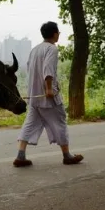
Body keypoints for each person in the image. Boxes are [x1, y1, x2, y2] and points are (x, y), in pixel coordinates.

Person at [13, 21, 83, 167]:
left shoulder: (35, 50)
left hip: (34, 97)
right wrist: (49, 89)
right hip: (47, 97)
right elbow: (48, 69)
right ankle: (67, 155)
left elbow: (30, 70)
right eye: (58, 32)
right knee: (60, 122)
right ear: (55, 33)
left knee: (29, 124)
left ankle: (20, 156)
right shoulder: (52, 49)